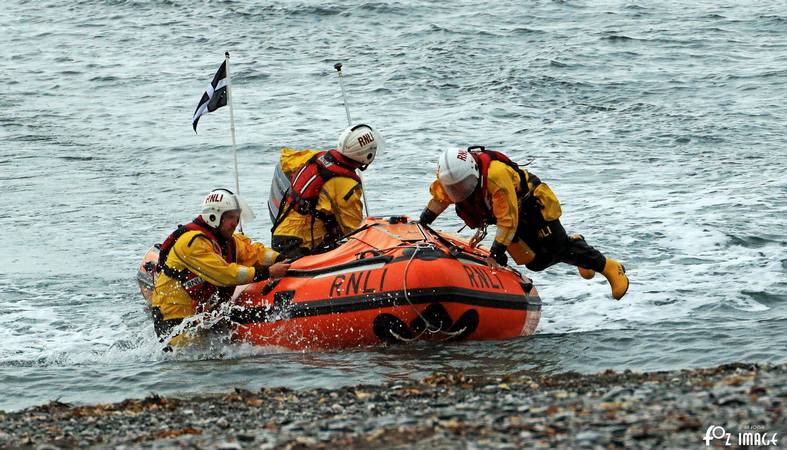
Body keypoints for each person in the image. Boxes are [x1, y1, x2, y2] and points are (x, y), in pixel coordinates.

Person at [418, 146, 629, 300]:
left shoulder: (495, 177)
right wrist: (423, 221)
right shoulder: (450, 181)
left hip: (531, 205)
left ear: (473, 171)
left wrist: (496, 251)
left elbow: (507, 218)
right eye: (455, 187)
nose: (460, 191)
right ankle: (579, 253)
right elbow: (440, 198)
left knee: (557, 247)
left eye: (463, 185)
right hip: (507, 217)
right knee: (535, 263)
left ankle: (609, 267)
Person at [151, 188, 290, 345]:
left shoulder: (228, 241)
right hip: (173, 317)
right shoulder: (192, 243)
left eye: (237, 218)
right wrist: (269, 272)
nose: (235, 223)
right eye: (230, 217)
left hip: (200, 314)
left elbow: (256, 253)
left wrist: (282, 258)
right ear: (214, 216)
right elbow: (225, 275)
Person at [271, 124, 383, 259]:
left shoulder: (314, 157)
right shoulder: (346, 185)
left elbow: (286, 158)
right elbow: (354, 230)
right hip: (300, 245)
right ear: (368, 155)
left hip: (281, 235)